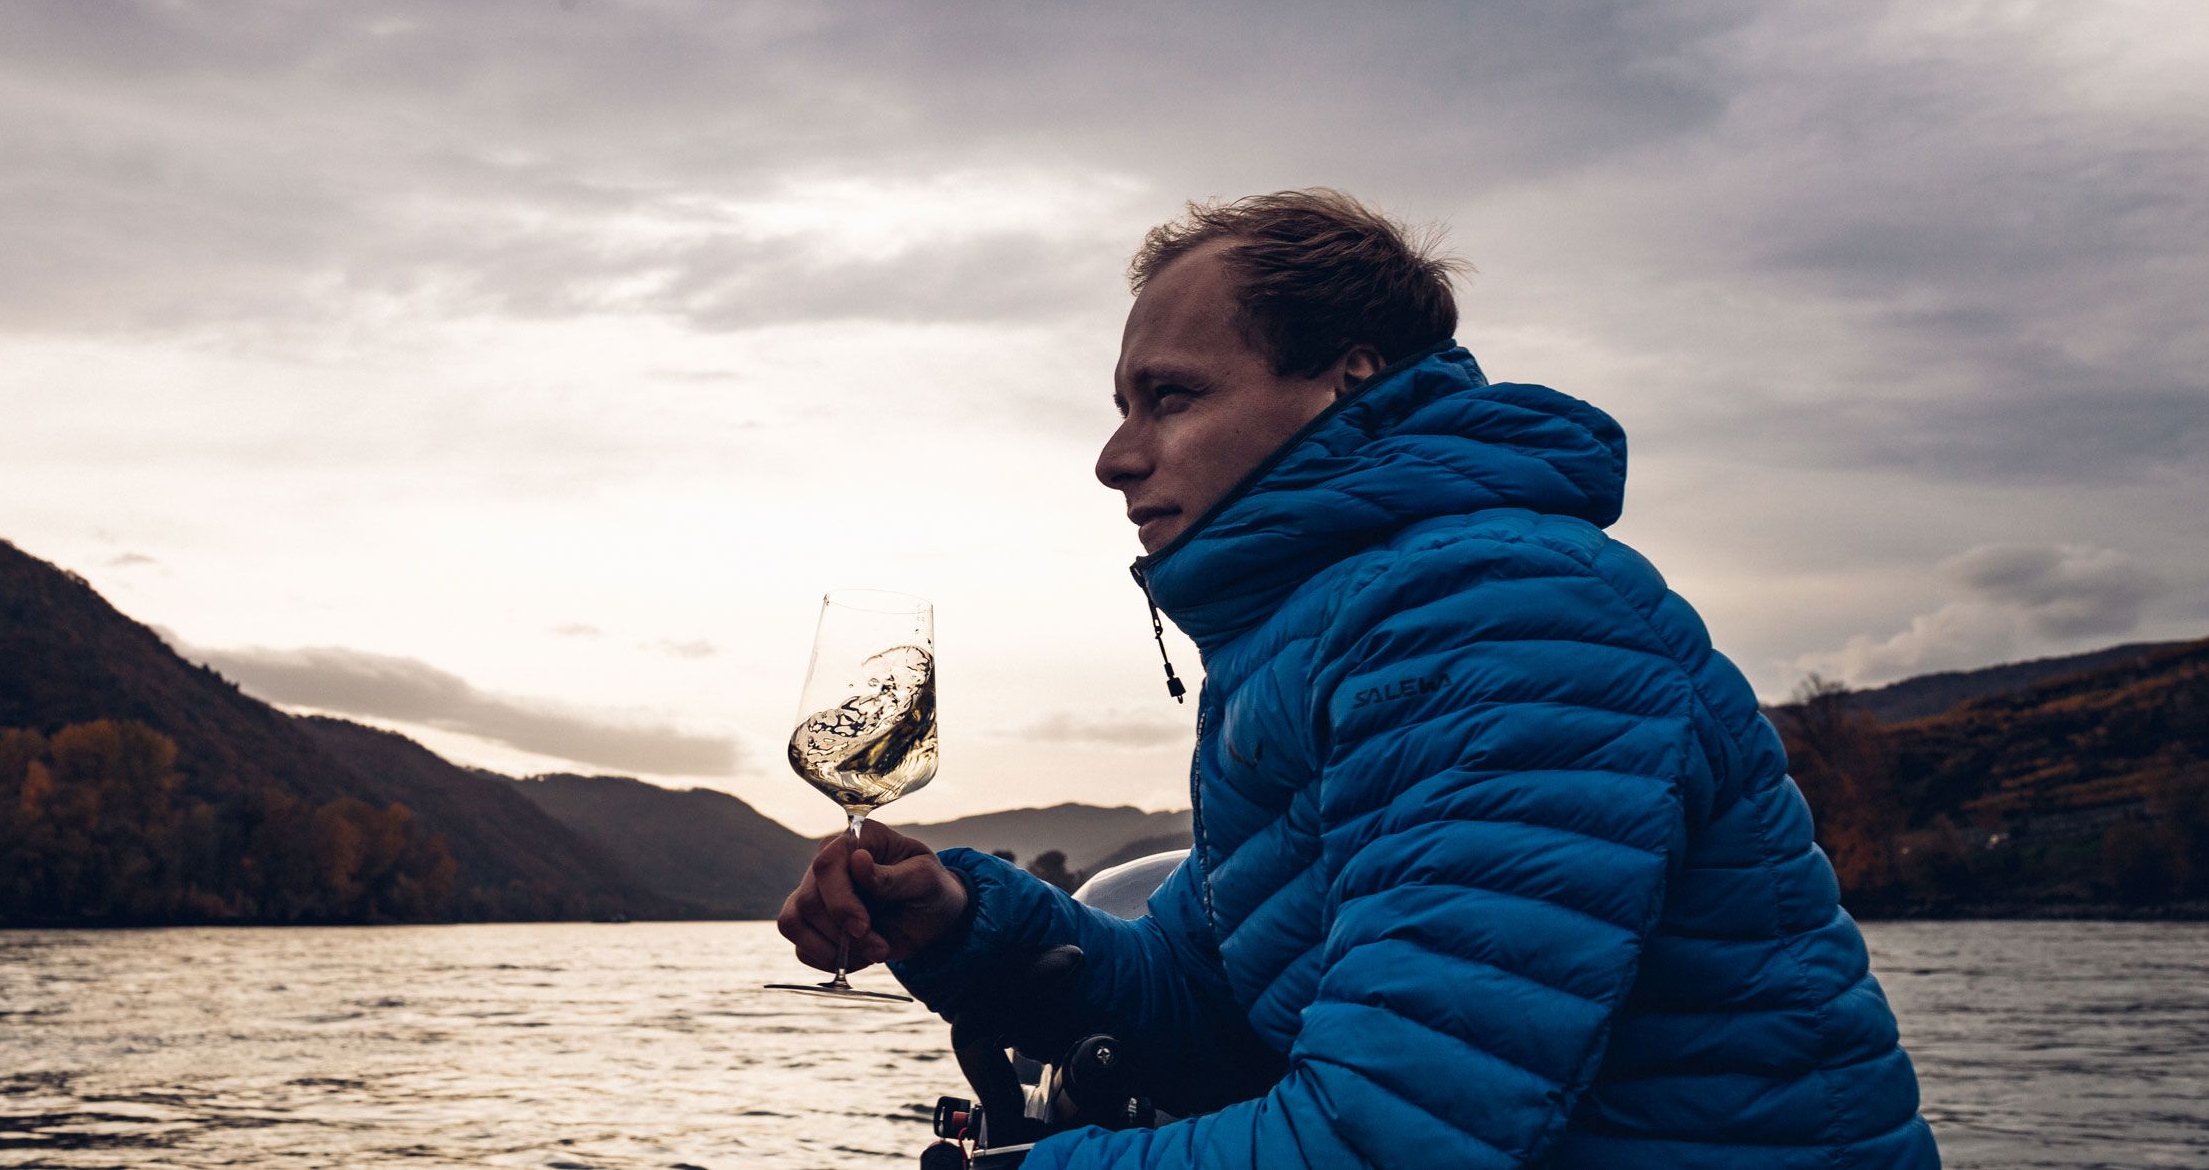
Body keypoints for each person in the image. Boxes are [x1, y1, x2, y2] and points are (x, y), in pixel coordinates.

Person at [779, 189, 1939, 1169]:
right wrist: (959, 921)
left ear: (1350, 378)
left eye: (1170, 396)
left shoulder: (1497, 617)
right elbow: (1207, 991)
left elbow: (1398, 1135)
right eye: (1121, 406)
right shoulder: (1326, 629)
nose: (1115, 455)